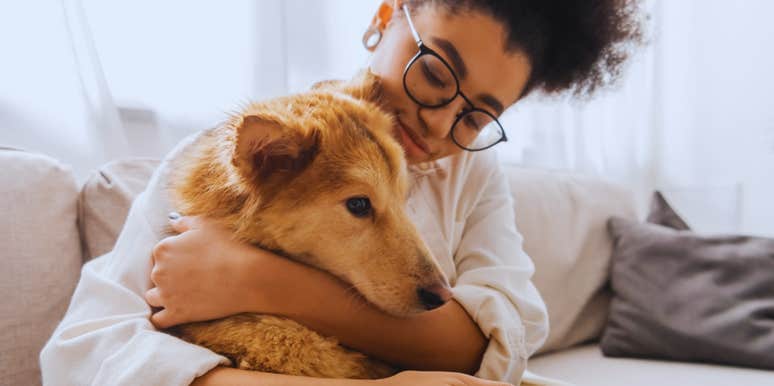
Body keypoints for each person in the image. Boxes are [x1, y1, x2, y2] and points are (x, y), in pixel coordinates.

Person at [40, 0, 642, 385]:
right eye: (434, 73)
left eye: (475, 118)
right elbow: (82, 353)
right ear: (384, 17)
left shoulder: (471, 178)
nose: (436, 124)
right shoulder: (238, 157)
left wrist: (261, 282)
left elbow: (495, 344)